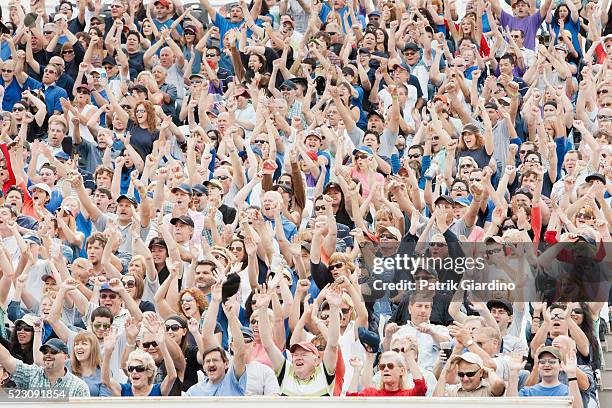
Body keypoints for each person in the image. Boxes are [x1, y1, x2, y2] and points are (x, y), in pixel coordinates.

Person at [0, 338, 90, 397]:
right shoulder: (31, 374)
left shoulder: (79, 387)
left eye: (54, 352)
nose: (48, 355)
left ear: (65, 357)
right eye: (45, 352)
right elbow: (7, 359)